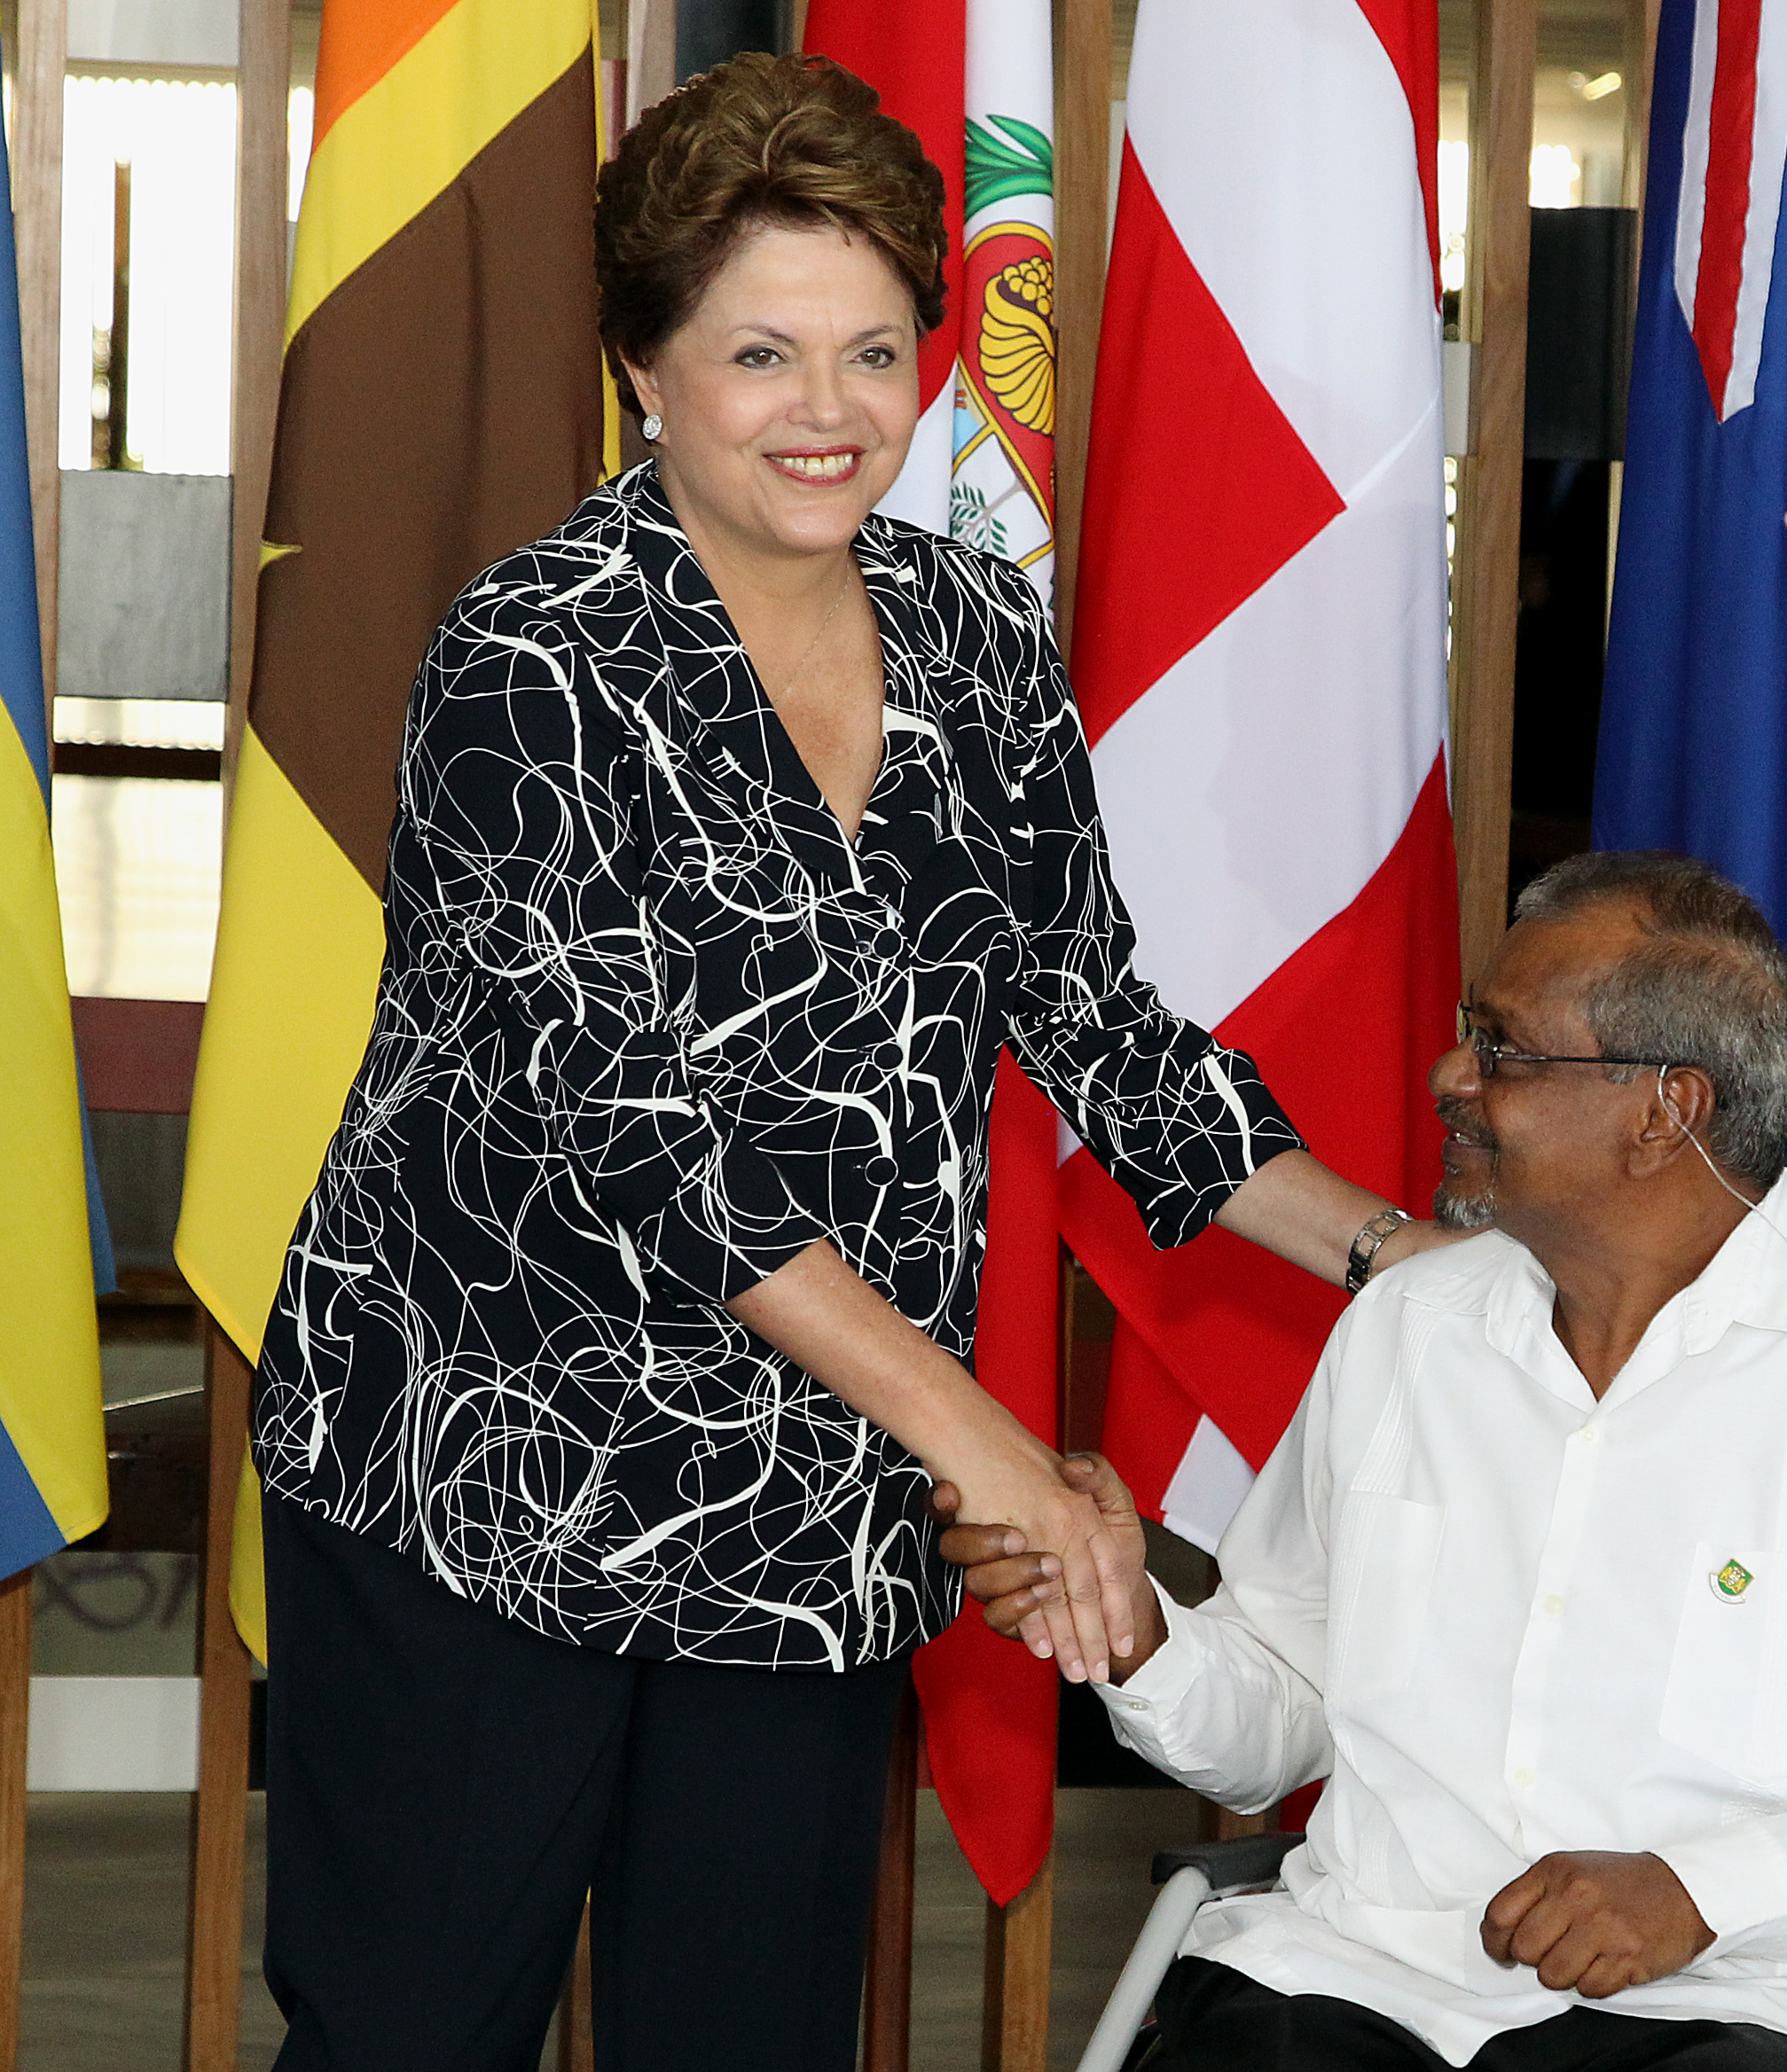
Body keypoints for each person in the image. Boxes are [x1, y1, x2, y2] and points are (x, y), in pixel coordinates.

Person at [251, 53, 1445, 2070]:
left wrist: (1393, 1250)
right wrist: (987, 1441)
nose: (829, 410)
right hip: (479, 1470)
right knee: (411, 2036)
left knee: (750, 2034)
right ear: (642, 365)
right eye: (760, 353)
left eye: (876, 349)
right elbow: (644, 1156)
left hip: (807, 1503)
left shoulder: (977, 635)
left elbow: (1092, 1018)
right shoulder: (529, 661)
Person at [944, 850, 1787, 2072]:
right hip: (1354, 1979)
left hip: (1721, 2007)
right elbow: (1280, 1718)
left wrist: (1696, 1889)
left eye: (1503, 1049)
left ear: (1667, 1109)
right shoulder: (1405, 1329)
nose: (1449, 1077)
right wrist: (1138, 1631)